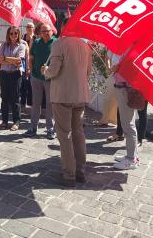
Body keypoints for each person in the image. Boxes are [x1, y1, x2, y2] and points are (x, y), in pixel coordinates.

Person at [43, 18, 92, 187]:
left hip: (63, 96)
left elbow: (54, 70)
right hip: (80, 95)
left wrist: (45, 71)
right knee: (78, 133)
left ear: (63, 26)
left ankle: (69, 174)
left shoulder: (59, 44)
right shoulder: (85, 46)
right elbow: (88, 71)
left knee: (65, 135)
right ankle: (80, 171)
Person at [25, 23, 57, 139]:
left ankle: (50, 128)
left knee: (50, 104)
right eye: (43, 31)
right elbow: (31, 57)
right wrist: (31, 69)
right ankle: (33, 127)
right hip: (36, 77)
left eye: (47, 31)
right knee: (36, 103)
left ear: (52, 31)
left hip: (50, 78)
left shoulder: (56, 43)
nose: (45, 33)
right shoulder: (37, 42)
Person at [109, 53, 140, 170]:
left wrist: (118, 68)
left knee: (128, 125)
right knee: (127, 123)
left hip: (125, 89)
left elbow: (132, 70)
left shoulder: (131, 51)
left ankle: (131, 159)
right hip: (122, 87)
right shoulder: (125, 49)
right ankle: (132, 155)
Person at [0, 26, 25, 131]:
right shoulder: (4, 45)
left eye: (15, 33)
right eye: (11, 33)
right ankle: (4, 121)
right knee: (4, 99)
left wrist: (5, 59)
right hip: (4, 74)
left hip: (15, 74)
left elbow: (19, 60)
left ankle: (16, 121)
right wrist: (10, 60)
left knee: (15, 99)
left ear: (18, 34)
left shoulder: (21, 46)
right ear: (8, 35)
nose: (13, 35)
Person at [20, 22, 35, 108]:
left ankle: (30, 101)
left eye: (31, 27)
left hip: (32, 62)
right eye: (28, 26)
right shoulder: (23, 37)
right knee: (24, 83)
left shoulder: (35, 37)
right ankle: (23, 102)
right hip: (25, 61)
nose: (29, 28)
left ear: (33, 28)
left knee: (30, 83)